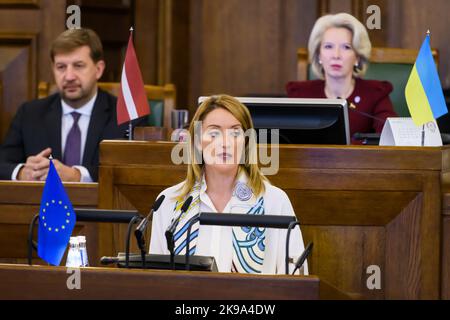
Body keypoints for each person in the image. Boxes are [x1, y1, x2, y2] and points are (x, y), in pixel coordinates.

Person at [150, 94, 308, 275]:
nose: (225, 142)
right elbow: (158, 280)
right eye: (214, 132)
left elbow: (296, 281)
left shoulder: (274, 201)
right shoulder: (169, 201)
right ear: (198, 142)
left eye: (235, 133)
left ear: (246, 142)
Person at [0, 28, 146, 182]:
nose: (69, 76)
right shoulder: (30, 114)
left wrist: (77, 175)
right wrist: (23, 172)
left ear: (98, 69)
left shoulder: (127, 117)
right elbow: (3, 164)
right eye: (61, 67)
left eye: (78, 66)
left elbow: (133, 170)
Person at [286, 13, 397, 143]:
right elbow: (288, 142)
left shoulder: (375, 93)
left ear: (357, 57)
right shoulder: (301, 94)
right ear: (318, 55)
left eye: (346, 47)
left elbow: (390, 138)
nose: (336, 55)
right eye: (328, 46)